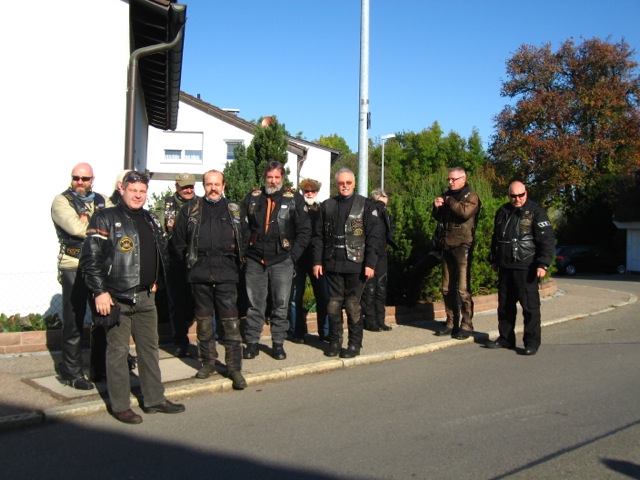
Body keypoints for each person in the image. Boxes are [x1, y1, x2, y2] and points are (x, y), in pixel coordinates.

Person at [80, 171, 185, 424]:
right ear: (122, 189)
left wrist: (157, 280)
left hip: (146, 297)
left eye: (142, 191)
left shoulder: (150, 219)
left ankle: (154, 399)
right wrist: (100, 292)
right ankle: (120, 405)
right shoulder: (104, 217)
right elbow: (90, 259)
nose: (138, 195)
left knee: (149, 349)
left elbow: (162, 251)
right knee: (117, 352)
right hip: (116, 297)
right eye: (133, 190)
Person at [170, 170, 247, 390]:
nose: (213, 188)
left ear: (224, 186)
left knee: (231, 324)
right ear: (204, 186)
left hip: (226, 273)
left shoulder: (234, 209)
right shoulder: (190, 210)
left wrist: (235, 264)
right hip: (200, 273)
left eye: (217, 184)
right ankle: (207, 363)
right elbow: (178, 242)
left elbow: (244, 238)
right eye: (209, 184)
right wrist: (190, 262)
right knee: (203, 323)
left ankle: (234, 368)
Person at [241, 161, 311, 361]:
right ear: (264, 177)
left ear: (282, 178)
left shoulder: (294, 199)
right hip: (255, 259)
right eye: (269, 177)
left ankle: (278, 343)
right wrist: (244, 251)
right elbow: (241, 226)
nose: (273, 181)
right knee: (254, 304)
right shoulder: (253, 197)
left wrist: (292, 256)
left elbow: (305, 230)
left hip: (282, 259)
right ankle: (252, 343)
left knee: (280, 304)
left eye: (276, 177)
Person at [51, 163, 113, 390]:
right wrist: (101, 225)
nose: (80, 182)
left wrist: (92, 223)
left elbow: (116, 226)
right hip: (73, 265)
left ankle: (99, 368)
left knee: (103, 318)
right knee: (74, 321)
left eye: (84, 179)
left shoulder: (103, 200)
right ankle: (71, 372)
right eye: (76, 177)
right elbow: (77, 228)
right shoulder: (62, 201)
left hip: (98, 266)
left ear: (92, 179)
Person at [312, 168, 383, 358]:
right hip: (332, 263)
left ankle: (354, 344)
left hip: (357, 263)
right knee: (333, 305)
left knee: (352, 305)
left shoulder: (366, 205)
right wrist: (317, 261)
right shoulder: (327, 205)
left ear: (354, 183)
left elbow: (374, 237)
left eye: (348, 183)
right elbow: (318, 236)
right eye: (341, 183)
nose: (345, 186)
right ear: (336, 185)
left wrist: (371, 263)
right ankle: (335, 342)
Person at [485, 181, 555, 355]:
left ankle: (531, 342)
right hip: (505, 266)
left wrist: (543, 263)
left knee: (530, 307)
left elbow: (547, 240)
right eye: (513, 196)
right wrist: (494, 258)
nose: (517, 199)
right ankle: (505, 339)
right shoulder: (502, 211)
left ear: (526, 193)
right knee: (504, 306)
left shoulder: (536, 211)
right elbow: (496, 237)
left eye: (520, 195)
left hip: (526, 266)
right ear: (508, 195)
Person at [432, 167, 481, 340]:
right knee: (446, 288)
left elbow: (464, 212)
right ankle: (451, 322)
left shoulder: (471, 196)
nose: (450, 182)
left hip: (463, 246)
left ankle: (467, 324)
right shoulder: (447, 195)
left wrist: (449, 201)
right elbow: (439, 218)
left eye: (453, 179)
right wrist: (437, 207)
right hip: (447, 245)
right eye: (449, 179)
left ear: (463, 179)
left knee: (463, 290)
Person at [155, 173, 197, 357]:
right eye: (184, 186)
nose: (188, 190)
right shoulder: (165, 205)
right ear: (177, 187)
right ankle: (180, 341)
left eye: (191, 186)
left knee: (200, 302)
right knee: (176, 303)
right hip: (174, 260)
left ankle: (206, 343)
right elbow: (157, 228)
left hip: (196, 260)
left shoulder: (201, 204)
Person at [287, 178, 330, 343]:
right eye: (306, 191)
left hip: (316, 260)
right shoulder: (294, 208)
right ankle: (296, 332)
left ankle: (325, 333)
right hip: (298, 258)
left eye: (312, 191)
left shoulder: (322, 209)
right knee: (294, 297)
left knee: (323, 297)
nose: (309, 193)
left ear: (317, 192)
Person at [361, 188, 396, 332]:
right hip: (371, 253)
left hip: (382, 252)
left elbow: (390, 229)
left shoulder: (385, 213)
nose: (387, 199)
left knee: (381, 287)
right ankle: (370, 321)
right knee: (370, 288)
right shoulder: (372, 208)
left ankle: (380, 321)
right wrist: (380, 203)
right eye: (385, 196)